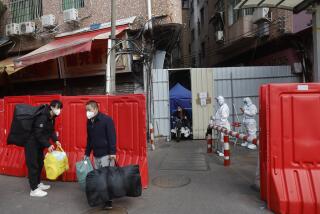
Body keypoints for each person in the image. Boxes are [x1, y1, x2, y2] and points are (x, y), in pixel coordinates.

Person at [25, 100, 63, 197]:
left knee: (40, 163)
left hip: (39, 144)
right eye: (57, 108)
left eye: (60, 108)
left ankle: (37, 184)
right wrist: (48, 145)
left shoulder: (52, 117)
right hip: (31, 144)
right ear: (51, 107)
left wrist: (56, 140)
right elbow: (38, 134)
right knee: (33, 165)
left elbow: (51, 130)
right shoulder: (42, 116)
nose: (59, 110)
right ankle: (33, 189)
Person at [84, 100, 117, 210]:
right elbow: (89, 139)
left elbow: (112, 136)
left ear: (95, 109)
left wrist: (112, 152)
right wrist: (87, 153)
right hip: (96, 155)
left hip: (106, 155)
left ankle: (109, 201)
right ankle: (103, 197)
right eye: (86, 110)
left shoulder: (106, 120)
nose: (87, 112)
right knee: (100, 178)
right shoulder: (89, 121)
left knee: (107, 178)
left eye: (89, 110)